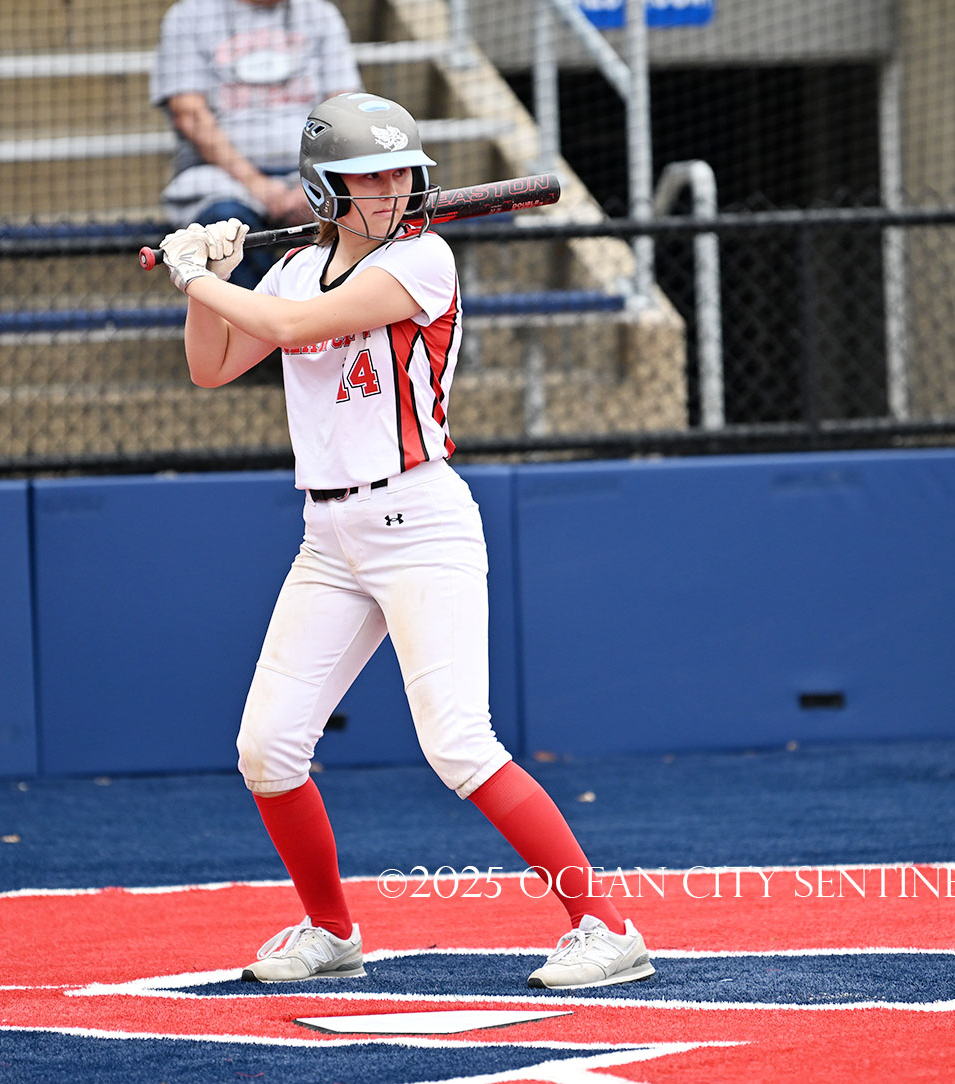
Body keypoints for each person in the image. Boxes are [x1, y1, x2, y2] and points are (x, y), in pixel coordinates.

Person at [157, 92, 655, 991]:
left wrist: (197, 277)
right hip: (327, 535)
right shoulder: (292, 272)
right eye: (367, 178)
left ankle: (606, 928)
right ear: (325, 189)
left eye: (400, 175)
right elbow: (212, 365)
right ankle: (330, 930)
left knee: (459, 743)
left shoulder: (423, 259)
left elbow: (292, 330)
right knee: (266, 749)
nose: (391, 191)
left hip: (419, 523)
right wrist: (211, 276)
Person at [149, 0, 361, 290]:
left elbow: (344, 109)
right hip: (221, 177)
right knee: (223, 227)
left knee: (355, 212)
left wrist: (315, 182)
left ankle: (321, 315)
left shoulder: (320, 13)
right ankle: (252, 317)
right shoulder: (189, 15)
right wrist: (258, 185)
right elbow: (190, 115)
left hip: (313, 171)